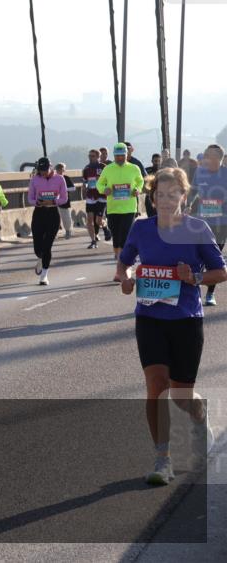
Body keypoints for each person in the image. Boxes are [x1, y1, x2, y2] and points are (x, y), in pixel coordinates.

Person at [117, 168, 225, 485]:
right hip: (149, 318)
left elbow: (221, 271)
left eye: (172, 194)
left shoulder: (197, 229)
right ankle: (162, 459)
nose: (165, 200)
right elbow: (125, 262)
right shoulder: (141, 228)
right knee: (156, 385)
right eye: (160, 195)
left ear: (184, 196)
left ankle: (199, 412)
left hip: (186, 320)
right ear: (152, 198)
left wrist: (194, 277)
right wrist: (125, 278)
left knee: (180, 395)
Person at [98, 143, 145, 281]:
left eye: (122, 155)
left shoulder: (134, 168)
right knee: (116, 239)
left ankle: (125, 269)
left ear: (126, 155)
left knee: (125, 237)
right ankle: (120, 267)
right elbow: (100, 184)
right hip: (113, 208)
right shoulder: (108, 169)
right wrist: (104, 189)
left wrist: (137, 190)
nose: (120, 158)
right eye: (117, 156)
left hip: (129, 208)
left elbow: (140, 182)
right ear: (114, 155)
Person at [188, 144, 227, 305]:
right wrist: (188, 204)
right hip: (201, 223)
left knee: (214, 259)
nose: (208, 160)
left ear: (220, 159)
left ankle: (210, 293)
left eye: (211, 158)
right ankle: (193, 291)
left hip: (221, 224)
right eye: (207, 157)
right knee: (197, 257)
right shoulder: (200, 172)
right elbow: (193, 191)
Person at [27, 158, 68, 285]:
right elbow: (30, 198)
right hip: (39, 213)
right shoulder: (35, 180)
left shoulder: (60, 179)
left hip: (53, 214)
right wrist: (37, 202)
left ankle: (44, 275)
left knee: (47, 246)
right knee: (37, 247)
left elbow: (64, 198)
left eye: (45, 170)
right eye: (41, 170)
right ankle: (40, 257)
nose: (43, 172)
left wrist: (53, 201)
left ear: (51, 167)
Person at [83, 149, 108, 249]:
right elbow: (85, 181)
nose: (90, 158)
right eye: (89, 156)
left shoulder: (103, 167)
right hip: (90, 197)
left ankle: (105, 227)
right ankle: (93, 241)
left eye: (92, 156)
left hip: (101, 197)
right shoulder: (86, 168)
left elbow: (109, 181)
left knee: (98, 221)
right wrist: (84, 189)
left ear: (98, 157)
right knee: (89, 220)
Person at [54, 162, 76, 239]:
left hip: (64, 201)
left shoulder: (66, 178)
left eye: (62, 169)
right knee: (54, 218)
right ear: (56, 170)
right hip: (54, 201)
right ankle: (54, 233)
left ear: (64, 170)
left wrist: (64, 189)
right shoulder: (53, 178)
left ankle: (68, 231)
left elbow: (73, 188)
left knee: (66, 217)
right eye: (58, 169)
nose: (60, 171)